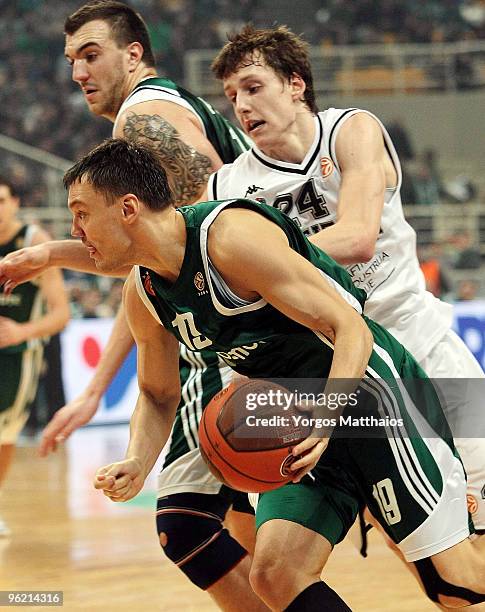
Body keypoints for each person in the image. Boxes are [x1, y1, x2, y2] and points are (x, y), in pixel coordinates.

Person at [66, 138, 485, 609]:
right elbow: (157, 393)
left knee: (455, 586)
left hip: (368, 397)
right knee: (275, 573)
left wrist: (325, 418)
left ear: (128, 208)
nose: (75, 231)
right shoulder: (142, 293)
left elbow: (350, 329)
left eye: (81, 214)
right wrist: (139, 461)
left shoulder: (229, 237)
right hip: (291, 418)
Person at [22, 2, 263, 609]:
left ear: (134, 54)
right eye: (72, 58)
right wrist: (94, 391)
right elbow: (147, 264)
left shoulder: (143, 115)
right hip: (248, 320)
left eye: (92, 54)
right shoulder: (162, 106)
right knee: (242, 530)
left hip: (248, 326)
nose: (78, 71)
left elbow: (194, 227)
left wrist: (50, 255)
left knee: (187, 523)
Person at [206, 25, 485, 537]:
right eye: (231, 97)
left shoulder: (351, 129)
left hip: (414, 338)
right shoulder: (227, 184)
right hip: (326, 371)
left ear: (295, 84)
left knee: (478, 509)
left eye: (252, 86)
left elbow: (357, 237)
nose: (241, 107)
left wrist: (259, 260)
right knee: (283, 553)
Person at [0, 176, 69, 536]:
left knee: (3, 436)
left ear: (15, 203)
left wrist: (20, 332)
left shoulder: (33, 243)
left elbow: (61, 314)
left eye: (1, 200)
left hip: (18, 357)